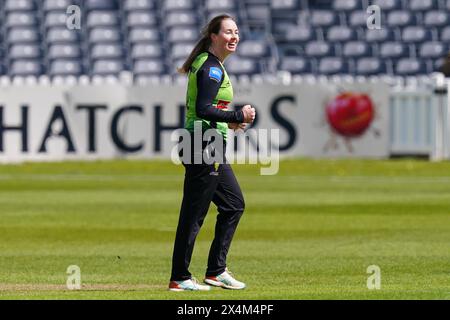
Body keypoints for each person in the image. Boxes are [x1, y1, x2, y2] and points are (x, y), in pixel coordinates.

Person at [169, 15, 256, 291]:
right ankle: (180, 277)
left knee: (233, 204)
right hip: (202, 144)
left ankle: (216, 271)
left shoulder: (211, 64)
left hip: (208, 142)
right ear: (213, 36)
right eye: (228, 32)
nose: (234, 37)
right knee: (194, 213)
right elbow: (205, 108)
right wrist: (238, 113)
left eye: (237, 32)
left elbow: (206, 109)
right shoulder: (211, 68)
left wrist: (228, 122)